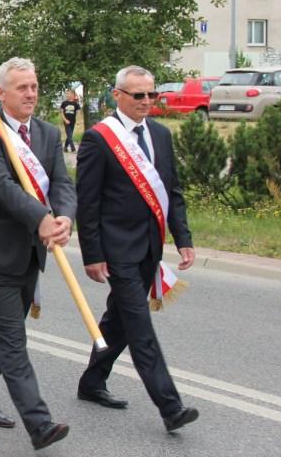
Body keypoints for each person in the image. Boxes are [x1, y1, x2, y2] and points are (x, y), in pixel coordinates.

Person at [76, 65, 198, 433]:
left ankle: (92, 381)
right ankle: (170, 406)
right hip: (117, 249)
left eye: (152, 94)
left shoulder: (160, 135)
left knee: (119, 322)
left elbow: (172, 191)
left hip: (150, 246)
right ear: (118, 96)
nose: (147, 101)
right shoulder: (99, 139)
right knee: (140, 326)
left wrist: (184, 237)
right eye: (138, 95)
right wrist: (92, 254)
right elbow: (88, 202)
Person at [0, 58, 73, 451]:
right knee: (13, 338)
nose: (31, 93)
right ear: (1, 93)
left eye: (34, 86)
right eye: (22, 87)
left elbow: (62, 182)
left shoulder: (46, 132)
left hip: (32, 252)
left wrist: (63, 218)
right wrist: (41, 218)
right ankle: (39, 422)